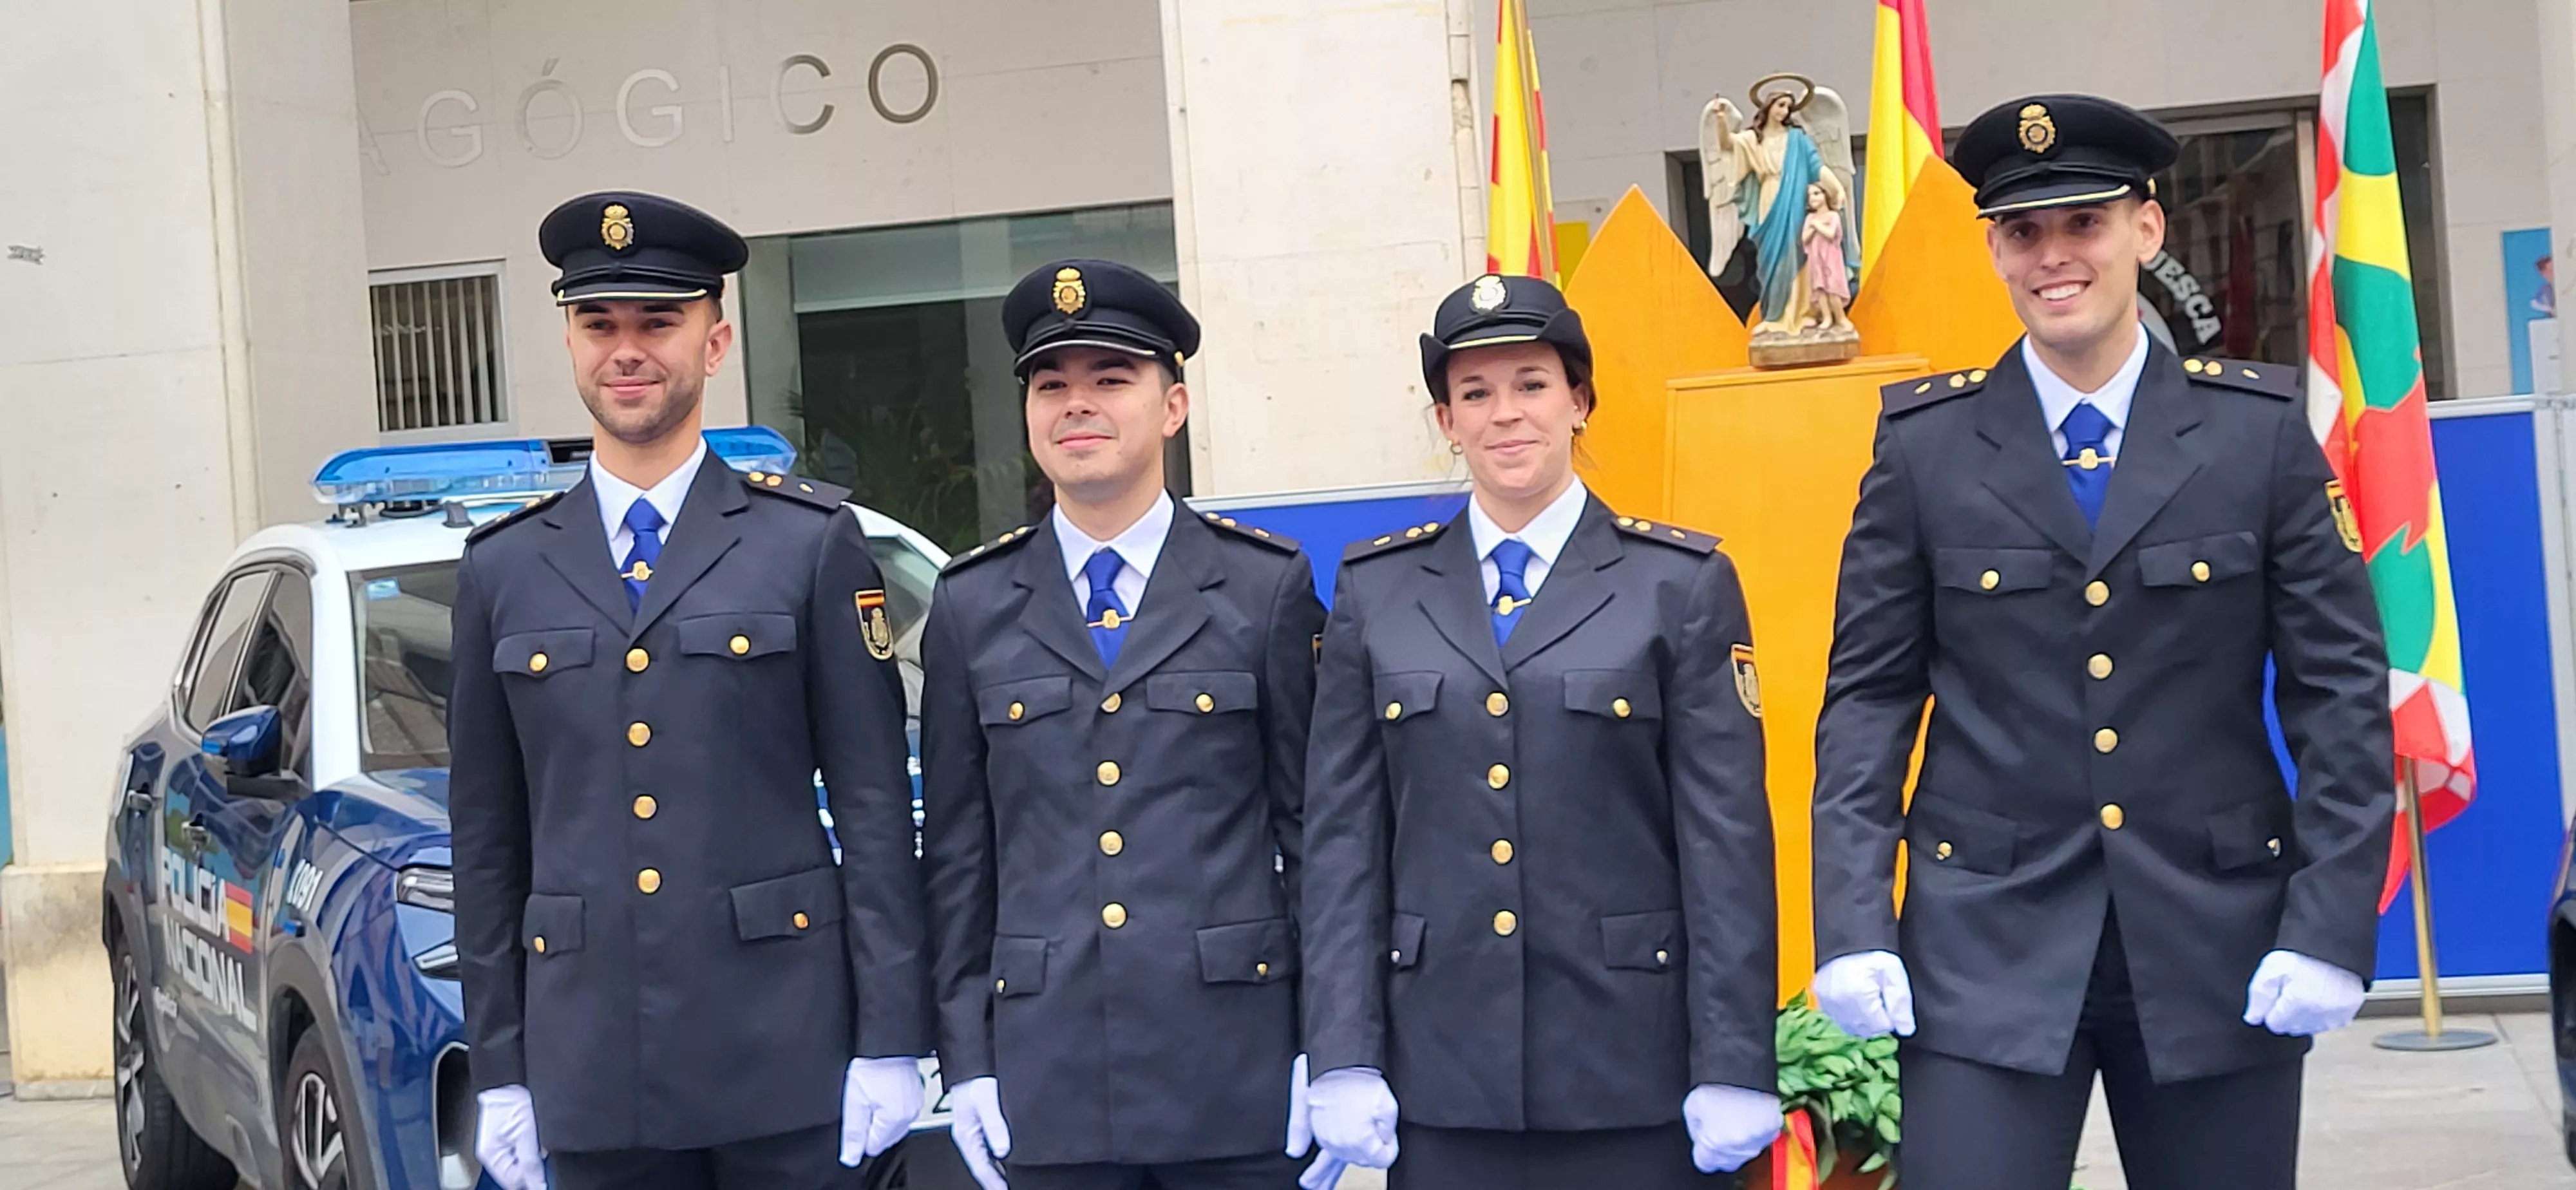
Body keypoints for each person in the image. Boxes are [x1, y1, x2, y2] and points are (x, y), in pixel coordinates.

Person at [1808, 95, 2395, 1190]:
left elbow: (2341, 697)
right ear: (1993, 249)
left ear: (2146, 230)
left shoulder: (2255, 436)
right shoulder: (1926, 450)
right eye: (2024, 232)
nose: (2055, 256)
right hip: (1986, 945)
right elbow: (1870, 703)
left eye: (2084, 221)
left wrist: (2328, 923)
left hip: (2216, 941)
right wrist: (1851, 922)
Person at [450, 191, 930, 1190]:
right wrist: (502, 1068)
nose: (627, 350)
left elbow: (877, 806)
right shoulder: (502, 569)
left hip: (785, 1053)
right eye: (599, 324)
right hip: (589, 1066)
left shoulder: (809, 543)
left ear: (713, 345)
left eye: (657, 322)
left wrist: (891, 1037)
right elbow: (489, 840)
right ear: (570, 343)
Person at [1300, 273, 1783, 1189]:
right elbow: (1343, 845)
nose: (1504, 415)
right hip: (1441, 1078)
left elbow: (1725, 845)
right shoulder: (1380, 591)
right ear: (1446, 421)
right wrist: (1344, 1050)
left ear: (1579, 402)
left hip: (1633, 1070)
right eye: (1473, 394)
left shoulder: (1678, 583)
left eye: (1531, 384)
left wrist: (1735, 1059)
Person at [919, 259, 1334, 1190]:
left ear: (1173, 407)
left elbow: (1318, 835)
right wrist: (966, 1057)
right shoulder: (972, 606)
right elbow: (956, 857)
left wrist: (1331, 1041)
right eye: (1053, 385)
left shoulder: (1263, 589)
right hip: (1046, 1071)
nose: (1080, 405)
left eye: (1112, 379)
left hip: (1236, 1070)